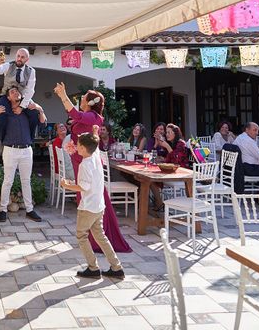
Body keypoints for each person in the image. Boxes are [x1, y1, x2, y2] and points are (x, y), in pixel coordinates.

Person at [53, 82, 132, 253]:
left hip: (85, 162)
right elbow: (75, 115)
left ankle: (96, 239)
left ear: (90, 103)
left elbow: (73, 113)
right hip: (79, 160)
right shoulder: (89, 116)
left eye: (83, 98)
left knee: (88, 196)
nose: (81, 99)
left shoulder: (94, 117)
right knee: (84, 197)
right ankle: (91, 237)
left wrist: (63, 95)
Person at [60, 126, 125, 279]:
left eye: (78, 145)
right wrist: (95, 132)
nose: (76, 147)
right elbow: (94, 144)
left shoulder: (84, 164)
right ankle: (116, 267)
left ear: (82, 147)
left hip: (88, 207)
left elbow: (83, 187)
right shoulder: (95, 155)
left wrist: (66, 185)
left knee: (81, 235)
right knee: (100, 236)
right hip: (99, 205)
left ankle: (93, 268)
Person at [0, 86, 46, 222]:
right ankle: (3, 209)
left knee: (26, 181)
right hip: (10, 150)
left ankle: (29, 210)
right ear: (8, 98)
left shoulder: (28, 112)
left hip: (26, 150)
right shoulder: (4, 113)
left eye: (17, 91)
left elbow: (42, 122)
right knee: (8, 181)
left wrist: (39, 109)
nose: (16, 93)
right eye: (12, 92)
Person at [151, 124, 189, 211]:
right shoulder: (172, 143)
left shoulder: (181, 143)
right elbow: (168, 160)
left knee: (151, 180)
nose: (166, 134)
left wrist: (167, 147)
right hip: (171, 171)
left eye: (169, 132)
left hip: (180, 173)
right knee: (150, 179)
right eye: (166, 132)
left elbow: (177, 162)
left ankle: (159, 204)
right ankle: (159, 203)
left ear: (175, 133)